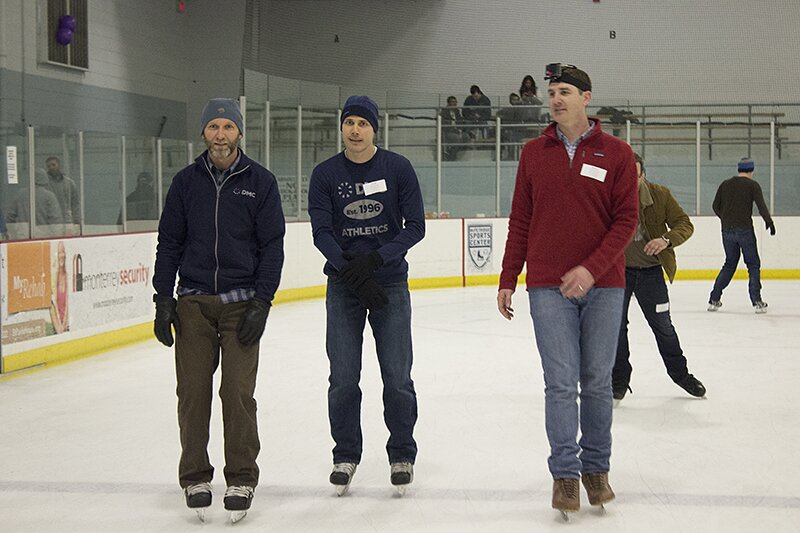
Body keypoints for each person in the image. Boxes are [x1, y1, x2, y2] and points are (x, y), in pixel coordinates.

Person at [496, 64, 638, 518]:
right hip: (546, 284)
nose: (556, 99)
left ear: (586, 98)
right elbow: (521, 218)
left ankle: (596, 469)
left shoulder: (616, 152)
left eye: (565, 92)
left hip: (605, 285)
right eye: (552, 92)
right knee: (560, 383)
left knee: (596, 383)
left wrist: (593, 270)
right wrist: (507, 277)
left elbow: (626, 221)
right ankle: (564, 475)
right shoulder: (533, 152)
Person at [152, 98, 285, 523]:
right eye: (214, 127)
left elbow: (272, 248)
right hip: (192, 305)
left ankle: (241, 476)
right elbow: (169, 242)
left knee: (237, 393)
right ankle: (194, 476)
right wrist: (162, 298)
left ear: (240, 133)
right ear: (204, 133)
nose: (221, 135)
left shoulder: (260, 182)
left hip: (241, 305)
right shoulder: (185, 183)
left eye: (228, 126)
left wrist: (263, 301)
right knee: (193, 394)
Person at [307, 95, 426, 496]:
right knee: (342, 378)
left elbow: (415, 227)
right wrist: (350, 270)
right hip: (343, 285)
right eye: (349, 122)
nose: (355, 130)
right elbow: (321, 231)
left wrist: (376, 260)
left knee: (397, 376)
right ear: (342, 127)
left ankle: (402, 453)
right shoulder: (325, 174)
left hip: (389, 282)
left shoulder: (398, 169)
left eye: (363, 123)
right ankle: (345, 454)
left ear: (375, 128)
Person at [612, 153, 706, 404]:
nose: (630, 181)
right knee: (615, 328)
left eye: (636, 175)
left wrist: (665, 240)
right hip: (618, 273)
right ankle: (619, 380)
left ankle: (680, 374)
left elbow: (684, 223)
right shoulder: (609, 196)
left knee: (663, 327)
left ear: (644, 175)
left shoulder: (660, 195)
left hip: (651, 274)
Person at [708, 157, 775, 313]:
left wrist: (725, 218)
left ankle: (714, 299)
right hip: (744, 230)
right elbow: (761, 206)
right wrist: (769, 222)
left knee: (730, 264)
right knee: (753, 264)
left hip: (726, 231)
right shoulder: (752, 185)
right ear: (751, 170)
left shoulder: (725, 184)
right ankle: (757, 301)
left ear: (739, 169)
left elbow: (715, 206)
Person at [45, 156, 80, 227]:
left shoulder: (69, 183)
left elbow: (75, 204)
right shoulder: (45, 183)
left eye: (53, 165)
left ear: (59, 165)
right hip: (50, 222)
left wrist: (77, 221)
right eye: (49, 166)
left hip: (67, 221)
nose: (51, 167)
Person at [496, 93, 525, 160]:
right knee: (501, 136)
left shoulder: (522, 109)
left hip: (518, 131)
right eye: (514, 100)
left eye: (517, 100)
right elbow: (498, 113)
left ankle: (511, 156)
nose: (515, 101)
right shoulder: (507, 109)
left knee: (512, 137)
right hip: (508, 130)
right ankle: (500, 156)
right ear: (510, 101)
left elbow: (519, 118)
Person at [440, 96, 469, 161]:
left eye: (455, 102)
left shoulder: (457, 111)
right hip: (449, 132)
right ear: (448, 103)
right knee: (457, 138)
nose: (455, 104)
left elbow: (460, 121)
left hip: (458, 131)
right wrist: (454, 128)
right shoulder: (444, 112)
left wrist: (461, 129)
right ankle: (452, 157)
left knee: (466, 137)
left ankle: (452, 152)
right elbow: (444, 123)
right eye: (453, 102)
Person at [50, 241, 69, 334]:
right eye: (59, 252)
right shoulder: (53, 278)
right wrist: (59, 328)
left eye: (63, 252)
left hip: (68, 326)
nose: (61, 255)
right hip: (57, 328)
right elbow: (51, 305)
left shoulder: (69, 276)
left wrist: (65, 325)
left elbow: (69, 303)